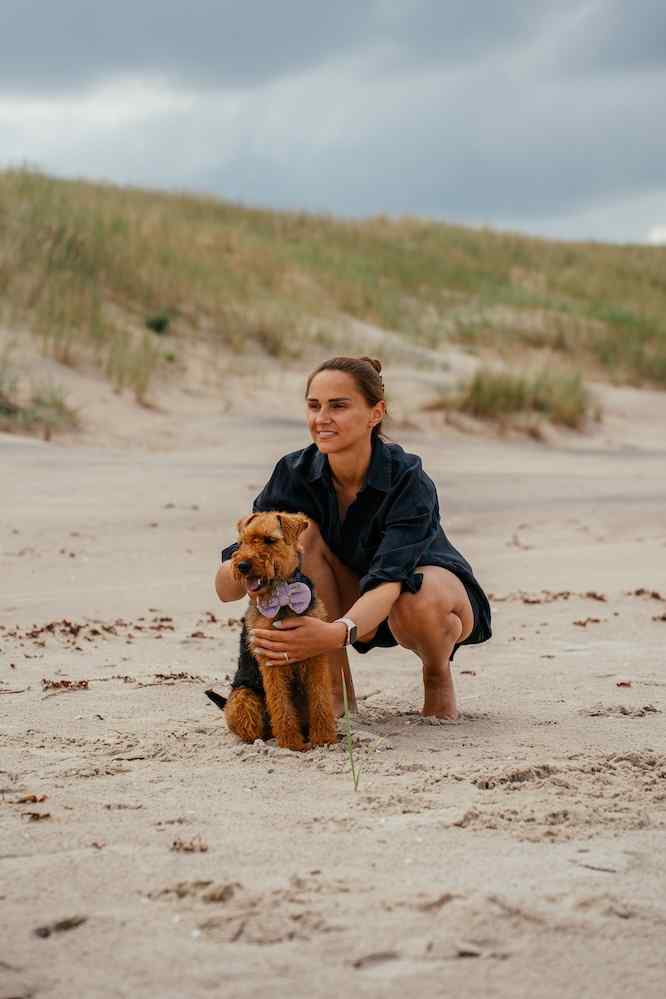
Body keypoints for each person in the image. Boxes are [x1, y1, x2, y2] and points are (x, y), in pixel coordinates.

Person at [215, 356, 491, 721]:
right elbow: (226, 588)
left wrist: (335, 632)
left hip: (417, 599)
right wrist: (245, 572)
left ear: (375, 413)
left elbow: (389, 581)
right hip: (345, 598)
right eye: (314, 406)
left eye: (338, 406)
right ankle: (335, 688)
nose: (322, 418)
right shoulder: (293, 472)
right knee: (304, 538)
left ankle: (436, 675)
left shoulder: (407, 477)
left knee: (418, 596)